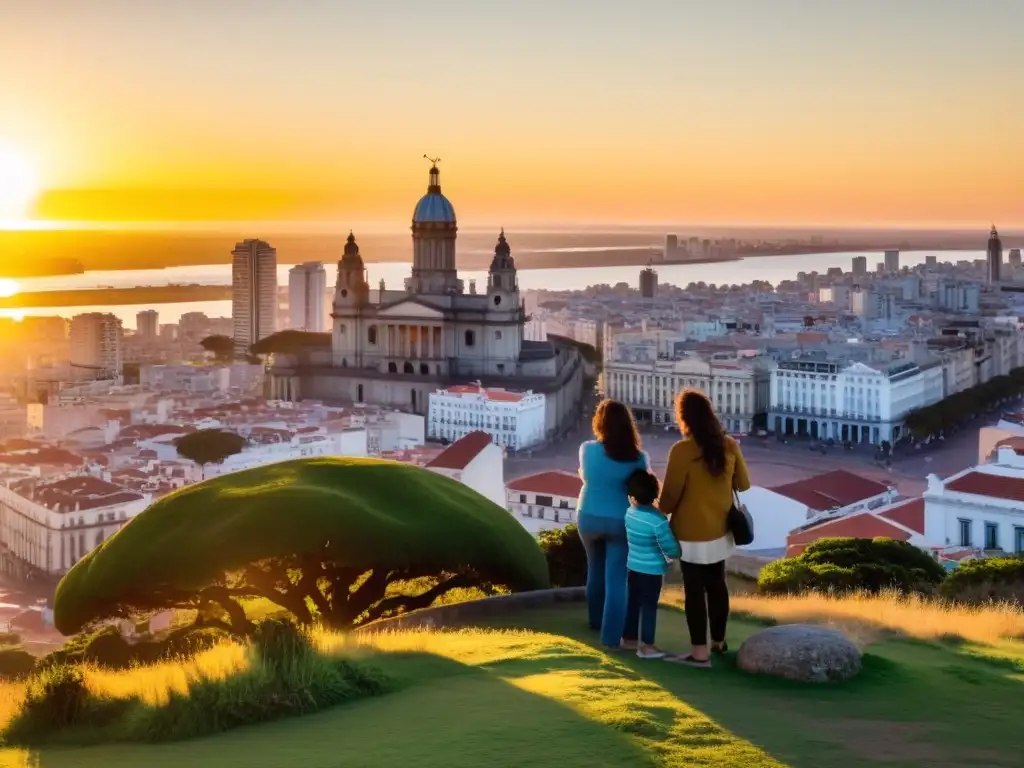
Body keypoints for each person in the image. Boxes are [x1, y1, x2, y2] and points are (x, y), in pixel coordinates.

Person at [657, 389, 751, 667]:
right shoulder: (729, 444)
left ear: (684, 418)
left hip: (689, 533)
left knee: (694, 591)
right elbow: (743, 485)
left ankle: (699, 652)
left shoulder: (682, 451)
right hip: (721, 529)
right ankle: (719, 642)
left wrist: (656, 509)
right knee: (717, 585)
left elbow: (670, 497)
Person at [577, 399, 650, 649]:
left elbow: (584, 475)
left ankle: (595, 621)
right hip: (621, 520)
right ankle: (610, 638)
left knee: (594, 569)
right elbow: (642, 488)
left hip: (588, 515)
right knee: (617, 579)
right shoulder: (639, 458)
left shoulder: (587, 449)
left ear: (600, 422)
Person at [623, 469, 680, 659]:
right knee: (648, 607)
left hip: (633, 567)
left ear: (632, 496)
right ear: (655, 494)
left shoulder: (629, 513)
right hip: (652, 571)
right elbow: (670, 549)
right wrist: (678, 551)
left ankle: (629, 639)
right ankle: (647, 647)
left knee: (632, 602)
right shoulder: (658, 520)